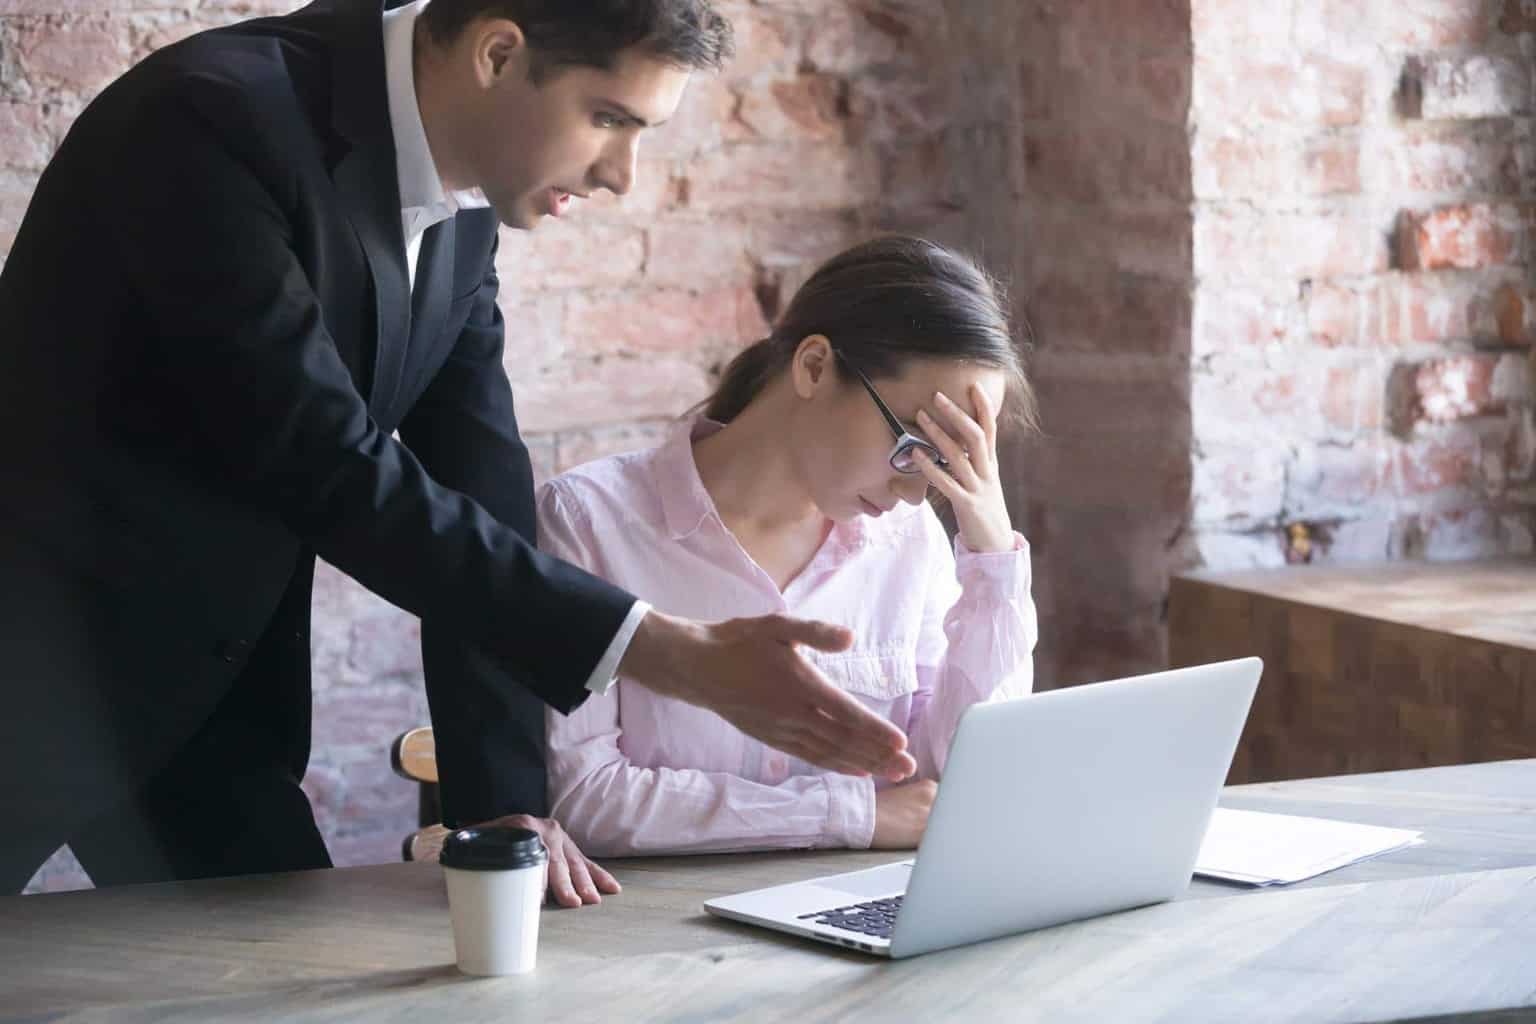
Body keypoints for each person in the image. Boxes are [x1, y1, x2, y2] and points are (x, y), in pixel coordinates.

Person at [0, 0, 916, 904]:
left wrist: (503, 807)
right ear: (497, 53)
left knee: (288, 972)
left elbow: (479, 485)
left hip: (206, 703)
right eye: (609, 118)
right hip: (27, 668)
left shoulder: (468, 196)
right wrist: (664, 651)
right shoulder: (206, 120)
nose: (622, 176)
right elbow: (324, 462)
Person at [538, 236, 1040, 857]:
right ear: (814, 367)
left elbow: (962, 784)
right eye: (912, 445)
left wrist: (992, 554)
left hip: (858, 903)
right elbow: (586, 799)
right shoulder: (587, 522)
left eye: (951, 461)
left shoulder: (908, 541)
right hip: (653, 915)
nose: (917, 492)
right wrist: (852, 814)